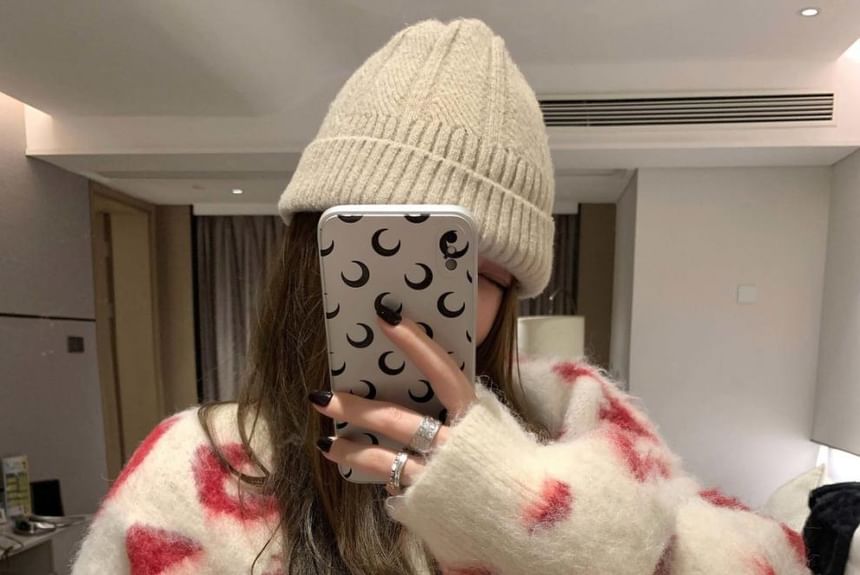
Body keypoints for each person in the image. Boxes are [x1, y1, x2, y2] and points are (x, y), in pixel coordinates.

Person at [72, 18, 811, 575]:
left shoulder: (581, 443)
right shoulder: (193, 468)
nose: (420, 299)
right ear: (312, 255)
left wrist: (534, 517)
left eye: (477, 274)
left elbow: (769, 552)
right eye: (380, 250)